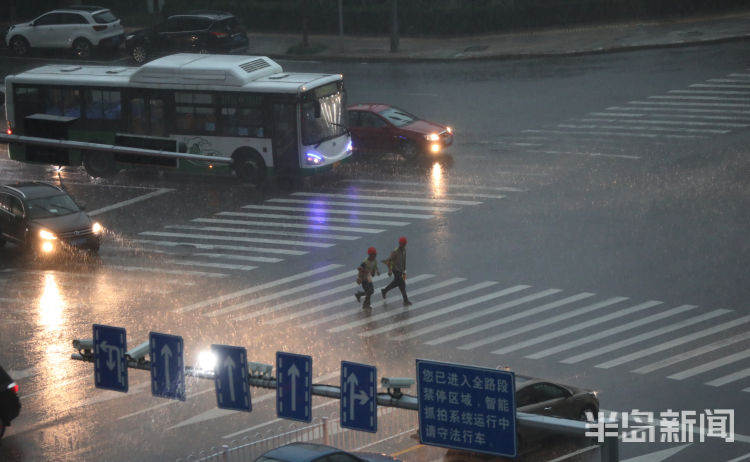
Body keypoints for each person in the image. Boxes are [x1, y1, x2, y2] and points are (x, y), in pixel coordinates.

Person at [381, 236, 412, 306]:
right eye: (401, 243)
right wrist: (389, 270)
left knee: (398, 283)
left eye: (403, 244)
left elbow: (404, 260)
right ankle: (405, 300)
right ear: (399, 243)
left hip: (400, 270)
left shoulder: (404, 250)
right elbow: (389, 261)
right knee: (402, 284)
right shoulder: (395, 252)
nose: (402, 245)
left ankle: (384, 290)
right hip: (395, 270)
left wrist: (404, 270)